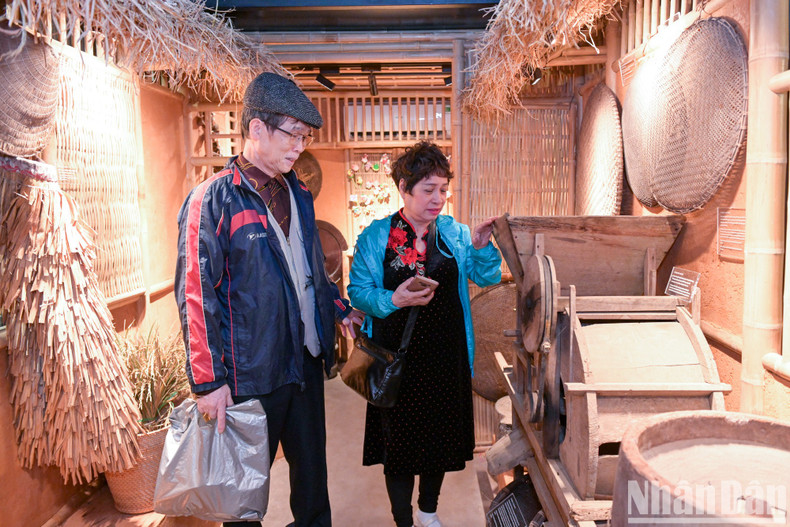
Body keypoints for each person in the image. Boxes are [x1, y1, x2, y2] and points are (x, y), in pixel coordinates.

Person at [174, 72, 363, 527]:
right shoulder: (213, 199)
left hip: (305, 361)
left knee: (313, 486)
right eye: (292, 135)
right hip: (250, 374)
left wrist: (335, 310)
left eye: (305, 137)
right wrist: (208, 381)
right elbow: (196, 293)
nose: (300, 146)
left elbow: (308, 265)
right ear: (256, 128)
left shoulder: (297, 192)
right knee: (244, 499)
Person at [347, 141, 502, 527]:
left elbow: (488, 276)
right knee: (398, 447)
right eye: (428, 190)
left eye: (443, 190)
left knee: (439, 444)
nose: (438, 199)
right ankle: (403, 520)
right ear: (404, 187)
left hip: (445, 357)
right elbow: (359, 292)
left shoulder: (455, 233)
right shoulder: (376, 237)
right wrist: (393, 299)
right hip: (395, 360)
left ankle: (428, 512)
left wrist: (482, 247)